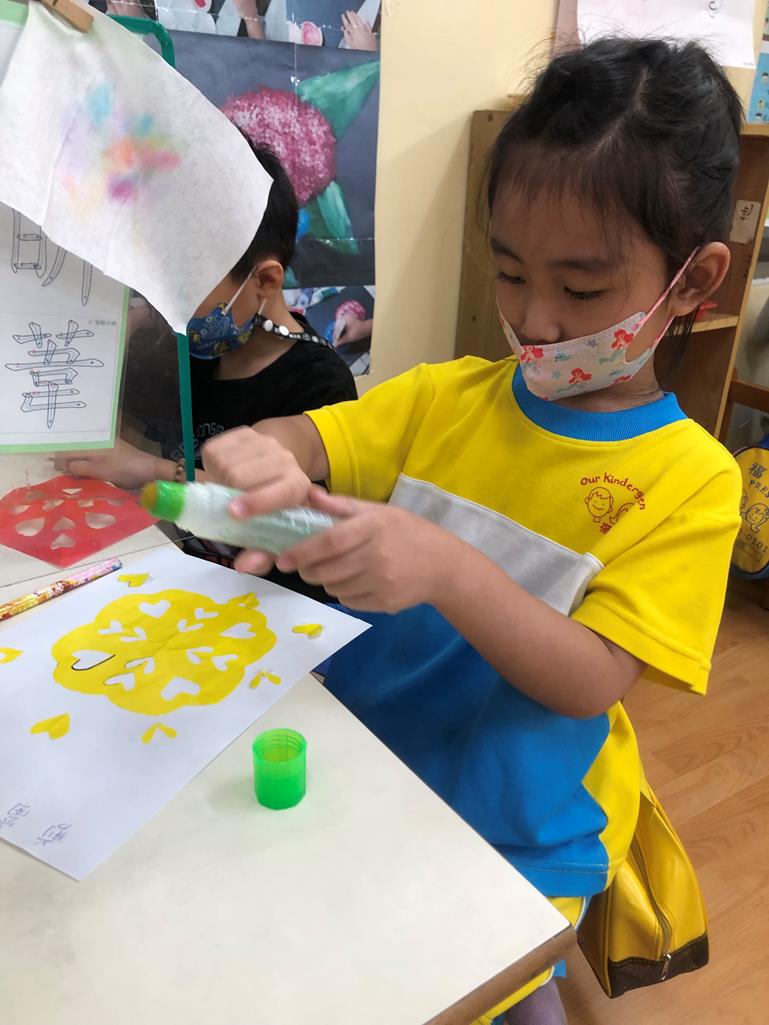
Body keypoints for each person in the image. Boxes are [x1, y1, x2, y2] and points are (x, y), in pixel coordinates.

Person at [201, 39, 743, 1024]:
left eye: (582, 289)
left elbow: (590, 678)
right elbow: (309, 437)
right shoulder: (444, 396)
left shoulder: (692, 481)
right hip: (367, 772)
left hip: (514, 828)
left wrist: (443, 567)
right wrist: (267, 454)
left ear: (695, 278)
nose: (535, 319)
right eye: (508, 271)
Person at [60, 144, 356, 595]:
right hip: (178, 581)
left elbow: (299, 527)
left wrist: (152, 470)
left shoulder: (320, 384)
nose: (168, 308)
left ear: (265, 280)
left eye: (185, 288)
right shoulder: (180, 350)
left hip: (271, 603)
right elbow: (112, 440)